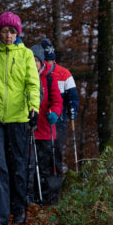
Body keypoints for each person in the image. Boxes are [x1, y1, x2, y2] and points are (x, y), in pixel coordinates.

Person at [0, 11, 40, 225]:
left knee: (18, 166)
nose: (8, 35)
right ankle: (0, 216)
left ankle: (19, 209)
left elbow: (33, 84)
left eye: (12, 31)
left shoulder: (25, 54)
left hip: (19, 118)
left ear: (18, 33)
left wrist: (34, 108)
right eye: (5, 31)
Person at [38, 38, 79, 174]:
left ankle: (56, 183)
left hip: (59, 121)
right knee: (42, 155)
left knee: (56, 153)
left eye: (51, 60)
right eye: (46, 61)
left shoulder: (63, 73)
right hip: (41, 122)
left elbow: (72, 95)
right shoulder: (37, 74)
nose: (48, 64)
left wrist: (73, 108)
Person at [30, 44, 63, 204]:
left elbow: (57, 101)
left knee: (48, 167)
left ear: (42, 62)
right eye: (32, 60)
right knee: (30, 167)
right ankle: (33, 198)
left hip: (46, 130)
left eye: (37, 60)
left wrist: (55, 113)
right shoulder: (24, 77)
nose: (34, 63)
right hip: (28, 130)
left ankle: (50, 198)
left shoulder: (49, 78)